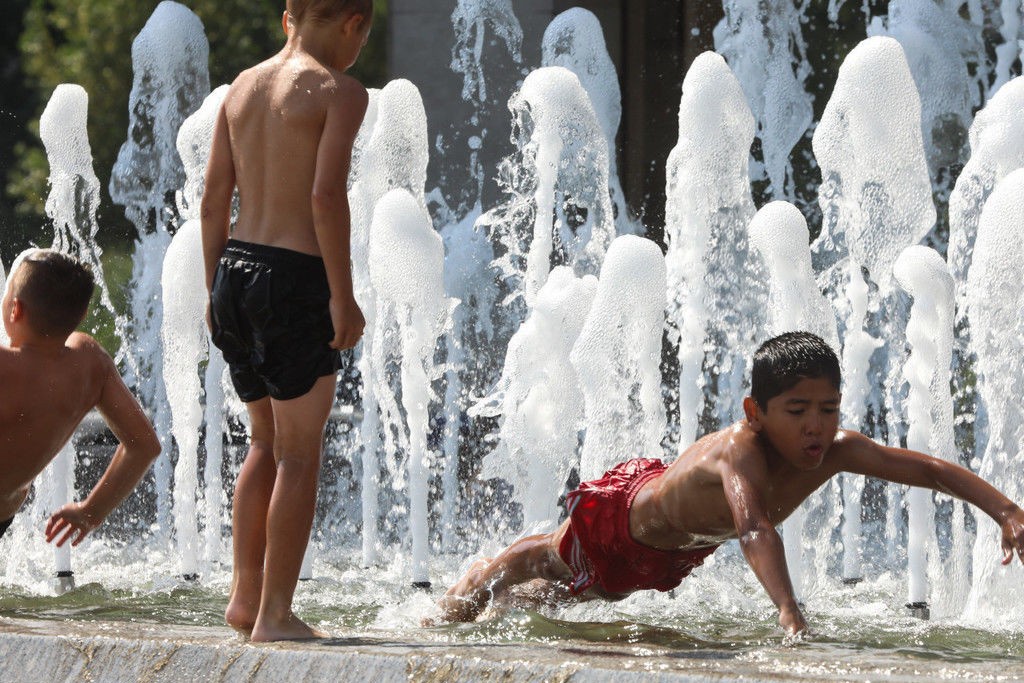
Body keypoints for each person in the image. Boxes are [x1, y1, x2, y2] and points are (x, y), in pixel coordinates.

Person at [436, 331, 1024, 634]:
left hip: (672, 555)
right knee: (546, 557)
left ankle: (500, 597)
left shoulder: (838, 450)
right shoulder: (740, 451)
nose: (816, 426)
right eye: (796, 411)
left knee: (582, 597)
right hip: (625, 519)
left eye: (828, 408)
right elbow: (751, 525)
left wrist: (1005, 511)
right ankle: (468, 590)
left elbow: (925, 469)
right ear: (754, 411)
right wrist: (789, 613)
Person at [201, 0, 370, 642]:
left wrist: (212, 289)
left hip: (234, 271)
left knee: (264, 445)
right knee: (299, 456)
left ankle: (244, 600)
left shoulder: (240, 90)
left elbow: (213, 199)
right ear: (354, 24)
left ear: (286, 19)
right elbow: (325, 197)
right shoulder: (340, 92)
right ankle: (274, 614)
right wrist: (342, 294)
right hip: (294, 278)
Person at [0, 249, 160, 547]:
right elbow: (144, 445)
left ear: (15, 310)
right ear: (83, 314)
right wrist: (92, 510)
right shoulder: (89, 363)